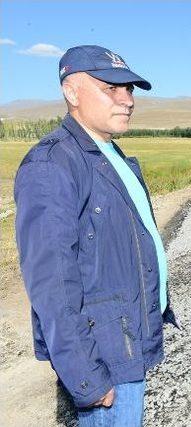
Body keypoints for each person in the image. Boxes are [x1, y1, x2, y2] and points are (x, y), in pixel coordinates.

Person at [14, 45, 178, 426]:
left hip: (125, 342)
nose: (128, 100)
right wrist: (85, 376)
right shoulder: (52, 165)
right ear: (71, 92)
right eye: (111, 89)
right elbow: (51, 283)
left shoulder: (109, 155)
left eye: (130, 90)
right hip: (104, 358)